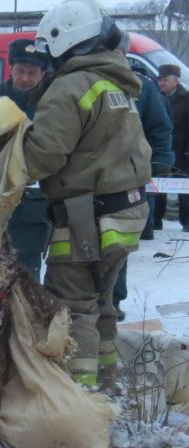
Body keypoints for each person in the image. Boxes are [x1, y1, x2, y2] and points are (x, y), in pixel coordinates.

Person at [24, 4, 151, 390]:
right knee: (102, 305)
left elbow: (42, 156)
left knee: (72, 308)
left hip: (86, 216)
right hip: (125, 210)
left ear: (67, 39)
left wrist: (7, 154)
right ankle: (107, 387)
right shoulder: (115, 81)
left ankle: (77, 399)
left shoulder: (71, 86)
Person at [0, 38, 52, 282]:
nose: (25, 78)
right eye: (20, 71)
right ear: (10, 70)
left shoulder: (52, 106)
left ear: (42, 74)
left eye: (32, 72)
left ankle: (25, 318)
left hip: (32, 207)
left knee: (27, 270)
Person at [111, 32, 173, 321]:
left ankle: (113, 299)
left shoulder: (143, 89)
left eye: (119, 54)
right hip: (91, 178)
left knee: (118, 243)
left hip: (128, 179)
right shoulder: (85, 84)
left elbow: (160, 127)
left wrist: (160, 161)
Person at [158, 64, 189, 230]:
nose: (161, 83)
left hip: (181, 152)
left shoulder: (186, 99)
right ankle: (156, 220)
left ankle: (187, 221)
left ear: (175, 81)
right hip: (162, 151)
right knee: (158, 186)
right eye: (160, 80)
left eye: (164, 80)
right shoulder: (157, 98)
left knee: (183, 187)